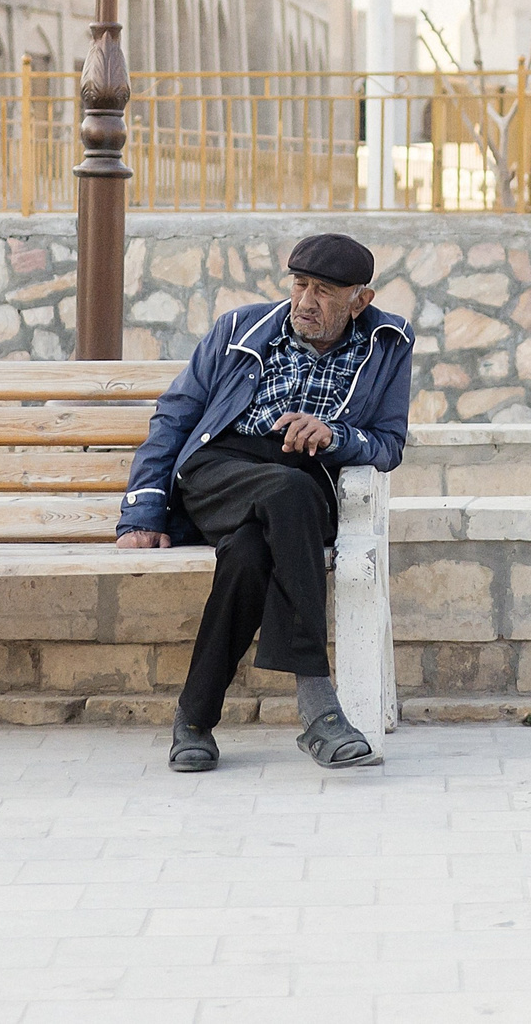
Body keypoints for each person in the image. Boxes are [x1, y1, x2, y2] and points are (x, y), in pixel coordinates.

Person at [115, 232, 412, 773]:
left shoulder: (389, 342)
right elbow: (176, 416)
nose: (306, 301)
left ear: (359, 300)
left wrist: (334, 435)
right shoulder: (239, 329)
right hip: (220, 470)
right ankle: (319, 708)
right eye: (300, 285)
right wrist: (143, 510)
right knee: (286, 492)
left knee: (250, 554)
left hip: (303, 482)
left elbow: (389, 443)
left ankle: (194, 719)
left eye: (324, 291)